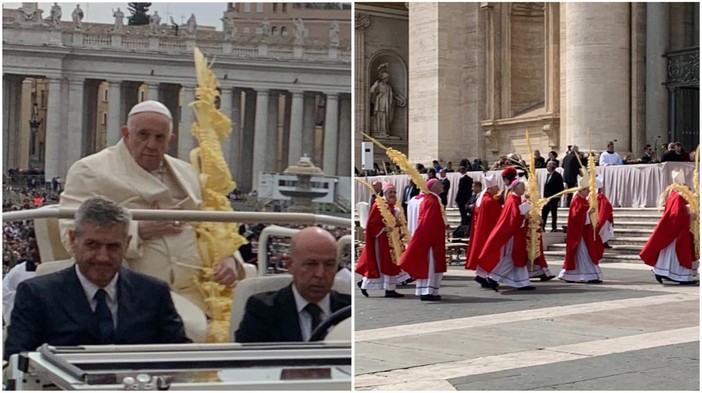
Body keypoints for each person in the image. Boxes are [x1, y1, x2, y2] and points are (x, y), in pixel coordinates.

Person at [59, 100, 243, 313]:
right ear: (126, 133)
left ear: (170, 140)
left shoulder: (187, 172)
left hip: (200, 292)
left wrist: (230, 259)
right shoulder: (90, 171)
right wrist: (140, 229)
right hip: (133, 296)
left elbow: (215, 224)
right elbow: (70, 235)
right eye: (143, 135)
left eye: (159, 137)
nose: (151, 145)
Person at [4, 197, 190, 360]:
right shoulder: (36, 295)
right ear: (73, 240)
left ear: (126, 243)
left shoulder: (154, 293)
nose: (103, 257)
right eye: (92, 245)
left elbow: (181, 355)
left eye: (113, 247)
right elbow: (17, 361)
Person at [235, 227, 351, 342]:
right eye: (311, 264)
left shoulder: (348, 310)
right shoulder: (262, 310)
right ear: (290, 265)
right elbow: (245, 358)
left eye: (329, 265)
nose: (320, 274)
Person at [640, 171, 698, 284]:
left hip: (676, 230)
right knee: (676, 254)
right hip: (677, 231)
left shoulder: (674, 194)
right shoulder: (677, 196)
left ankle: (662, 272)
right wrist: (689, 216)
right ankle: (681, 276)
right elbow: (675, 215)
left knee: (669, 255)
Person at [476, 179, 535, 290]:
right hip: (513, 234)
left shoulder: (516, 199)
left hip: (517, 232)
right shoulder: (512, 200)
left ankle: (522, 282)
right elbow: (513, 219)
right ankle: (494, 277)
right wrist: (524, 216)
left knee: (516, 258)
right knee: (512, 258)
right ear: (516, 188)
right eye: (522, 187)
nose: (524, 189)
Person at [356, 183, 410, 298]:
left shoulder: (391, 206)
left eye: (394, 192)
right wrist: (384, 229)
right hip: (382, 240)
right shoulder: (378, 205)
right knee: (385, 264)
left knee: (391, 263)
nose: (393, 194)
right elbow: (372, 224)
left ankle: (389, 288)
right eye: (390, 192)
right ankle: (384, 288)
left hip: (391, 240)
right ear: (385, 193)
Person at [399, 179, 446, 301]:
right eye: (440, 184)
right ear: (434, 187)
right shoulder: (432, 200)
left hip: (427, 237)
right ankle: (427, 291)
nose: (442, 186)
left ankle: (427, 290)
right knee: (428, 265)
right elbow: (429, 221)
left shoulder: (428, 199)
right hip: (430, 238)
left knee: (427, 265)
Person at [558, 173, 604, 283]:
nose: (588, 191)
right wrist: (588, 213)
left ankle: (571, 276)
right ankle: (589, 276)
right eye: (587, 189)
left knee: (584, 254)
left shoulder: (583, 199)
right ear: (581, 189)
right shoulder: (576, 200)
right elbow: (575, 217)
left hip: (584, 232)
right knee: (583, 254)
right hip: (578, 234)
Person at [465, 175, 503, 284]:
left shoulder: (482, 199)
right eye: (496, 187)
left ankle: (481, 275)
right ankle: (488, 276)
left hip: (482, 231)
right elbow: (499, 215)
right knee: (490, 254)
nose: (498, 189)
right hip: (488, 231)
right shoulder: (489, 201)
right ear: (490, 188)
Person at [370, 63, 405, 136]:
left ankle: (385, 130)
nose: (387, 79)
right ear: (383, 78)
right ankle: (380, 131)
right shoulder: (378, 84)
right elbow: (372, 91)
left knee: (386, 116)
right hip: (380, 101)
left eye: (387, 78)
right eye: (386, 78)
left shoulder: (388, 86)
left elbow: (393, 94)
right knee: (380, 115)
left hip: (387, 102)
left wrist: (399, 99)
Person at [541, 161, 564, 232]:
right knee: (544, 212)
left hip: (553, 198)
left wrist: (558, 196)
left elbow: (560, 188)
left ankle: (554, 227)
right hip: (547, 199)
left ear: (553, 167)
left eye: (548, 166)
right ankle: (542, 226)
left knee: (554, 213)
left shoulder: (557, 176)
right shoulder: (548, 175)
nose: (547, 167)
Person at [596, 176, 614, 248]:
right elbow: (607, 206)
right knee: (604, 229)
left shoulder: (590, 196)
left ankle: (603, 242)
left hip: (597, 216)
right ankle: (603, 243)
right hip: (600, 216)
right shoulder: (600, 196)